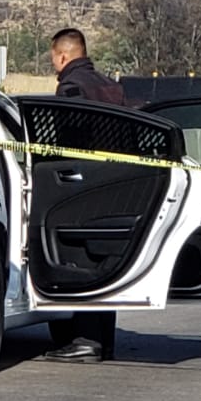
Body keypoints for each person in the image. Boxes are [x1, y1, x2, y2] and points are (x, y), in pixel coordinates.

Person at [44, 28, 124, 362]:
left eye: (53, 60)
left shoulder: (72, 87)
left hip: (82, 187)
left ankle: (85, 341)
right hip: (118, 185)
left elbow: (68, 142)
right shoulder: (112, 87)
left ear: (63, 56)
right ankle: (103, 339)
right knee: (104, 260)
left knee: (80, 261)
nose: (54, 66)